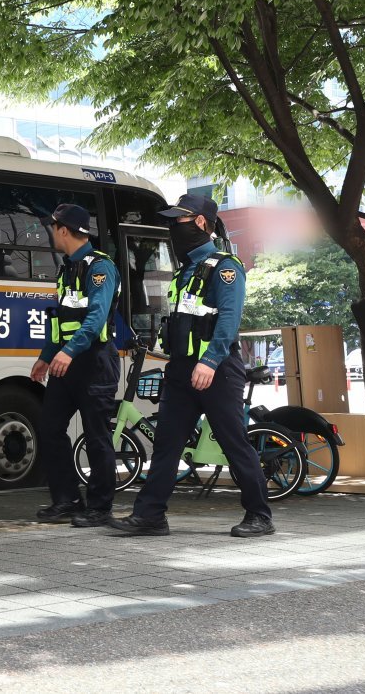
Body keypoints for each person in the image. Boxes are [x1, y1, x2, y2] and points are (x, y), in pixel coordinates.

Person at [109, 194, 275, 538]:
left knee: (233, 443)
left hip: (216, 371)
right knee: (167, 444)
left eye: (178, 222)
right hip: (182, 371)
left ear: (200, 223)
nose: (172, 229)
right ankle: (150, 515)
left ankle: (260, 515)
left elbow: (229, 320)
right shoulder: (186, 272)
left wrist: (210, 361)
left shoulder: (226, 267)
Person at [30, 204, 122, 528]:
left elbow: (97, 317)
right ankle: (66, 500)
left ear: (64, 230)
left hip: (94, 361)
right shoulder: (66, 269)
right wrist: (46, 356)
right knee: (50, 427)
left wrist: (67, 352)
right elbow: (61, 321)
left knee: (97, 436)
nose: (51, 233)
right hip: (67, 361)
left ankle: (100, 508)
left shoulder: (100, 268)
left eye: (53, 227)